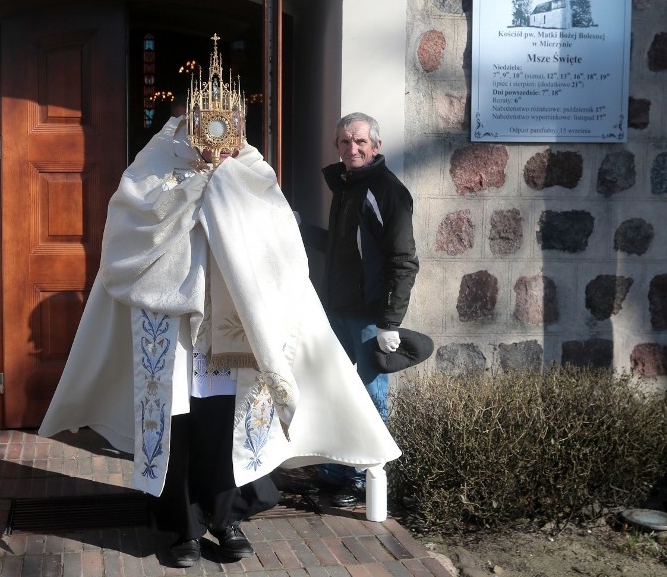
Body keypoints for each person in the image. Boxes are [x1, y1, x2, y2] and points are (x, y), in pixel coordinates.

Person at [39, 41, 401, 568]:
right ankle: (183, 531)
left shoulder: (251, 168)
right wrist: (191, 193)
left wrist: (225, 186)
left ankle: (227, 520)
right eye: (204, 116)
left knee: (225, 423)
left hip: (235, 327)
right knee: (180, 428)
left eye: (228, 118)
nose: (215, 129)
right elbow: (126, 231)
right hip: (174, 324)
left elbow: (280, 243)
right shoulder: (154, 164)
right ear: (184, 115)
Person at [318, 112, 434, 508]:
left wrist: (389, 322)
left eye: (361, 142)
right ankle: (337, 472)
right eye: (346, 142)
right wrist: (294, 227)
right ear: (337, 146)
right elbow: (342, 249)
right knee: (335, 390)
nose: (353, 149)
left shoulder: (386, 190)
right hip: (338, 309)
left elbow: (403, 260)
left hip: (369, 316)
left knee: (370, 396)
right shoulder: (347, 187)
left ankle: (365, 479)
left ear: (376, 146)